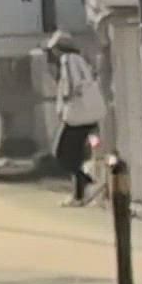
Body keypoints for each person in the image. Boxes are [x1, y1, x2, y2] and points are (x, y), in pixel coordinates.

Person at [49, 32, 106, 205]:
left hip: (76, 117)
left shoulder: (68, 60)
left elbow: (72, 85)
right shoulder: (80, 59)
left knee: (62, 154)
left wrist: (65, 98)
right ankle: (79, 195)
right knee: (74, 156)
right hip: (86, 116)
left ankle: (88, 183)